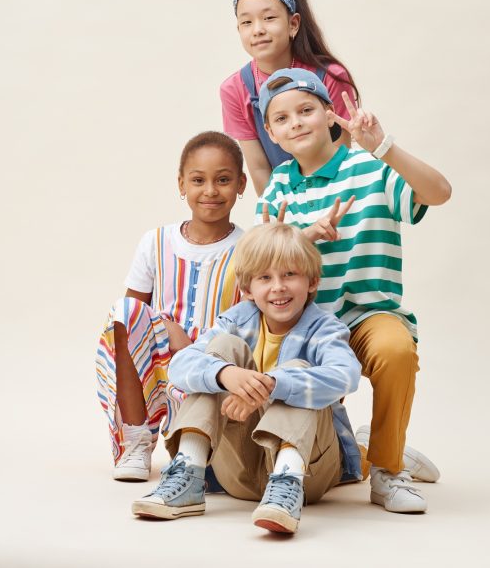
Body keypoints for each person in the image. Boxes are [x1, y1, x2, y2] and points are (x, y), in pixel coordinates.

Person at [255, 68, 452, 513]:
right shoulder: (280, 185)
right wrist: (304, 238)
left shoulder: (372, 167)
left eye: (306, 110)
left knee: (395, 349)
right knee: (324, 461)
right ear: (271, 133)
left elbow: (439, 193)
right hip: (305, 326)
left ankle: (387, 470)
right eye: (282, 119)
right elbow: (261, 264)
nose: (297, 123)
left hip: (367, 314)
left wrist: (383, 146)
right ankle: (372, 449)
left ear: (330, 114)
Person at [132, 222, 362, 535]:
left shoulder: (324, 328)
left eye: (290, 274)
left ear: (312, 281)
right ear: (246, 289)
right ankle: (188, 473)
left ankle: (286, 484)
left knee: (297, 369)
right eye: (265, 278)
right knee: (217, 356)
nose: (278, 286)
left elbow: (346, 375)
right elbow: (181, 366)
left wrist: (273, 385)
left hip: (308, 473)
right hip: (237, 469)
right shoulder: (236, 320)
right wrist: (225, 375)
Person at [95, 131, 247, 481]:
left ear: (240, 184)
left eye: (223, 180)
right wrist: (166, 328)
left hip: (215, 367)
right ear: (181, 184)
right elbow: (132, 317)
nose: (210, 190)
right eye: (198, 180)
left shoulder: (249, 246)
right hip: (161, 366)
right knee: (123, 312)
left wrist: (199, 349)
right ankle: (136, 438)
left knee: (208, 475)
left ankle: (198, 442)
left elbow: (251, 320)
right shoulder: (156, 241)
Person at [220, 0, 359, 195]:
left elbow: (341, 158)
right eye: (246, 22)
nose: (258, 30)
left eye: (269, 18)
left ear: (293, 24)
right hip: (283, 207)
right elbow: (259, 169)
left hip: (335, 198)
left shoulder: (331, 77)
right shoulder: (234, 89)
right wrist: (282, 223)